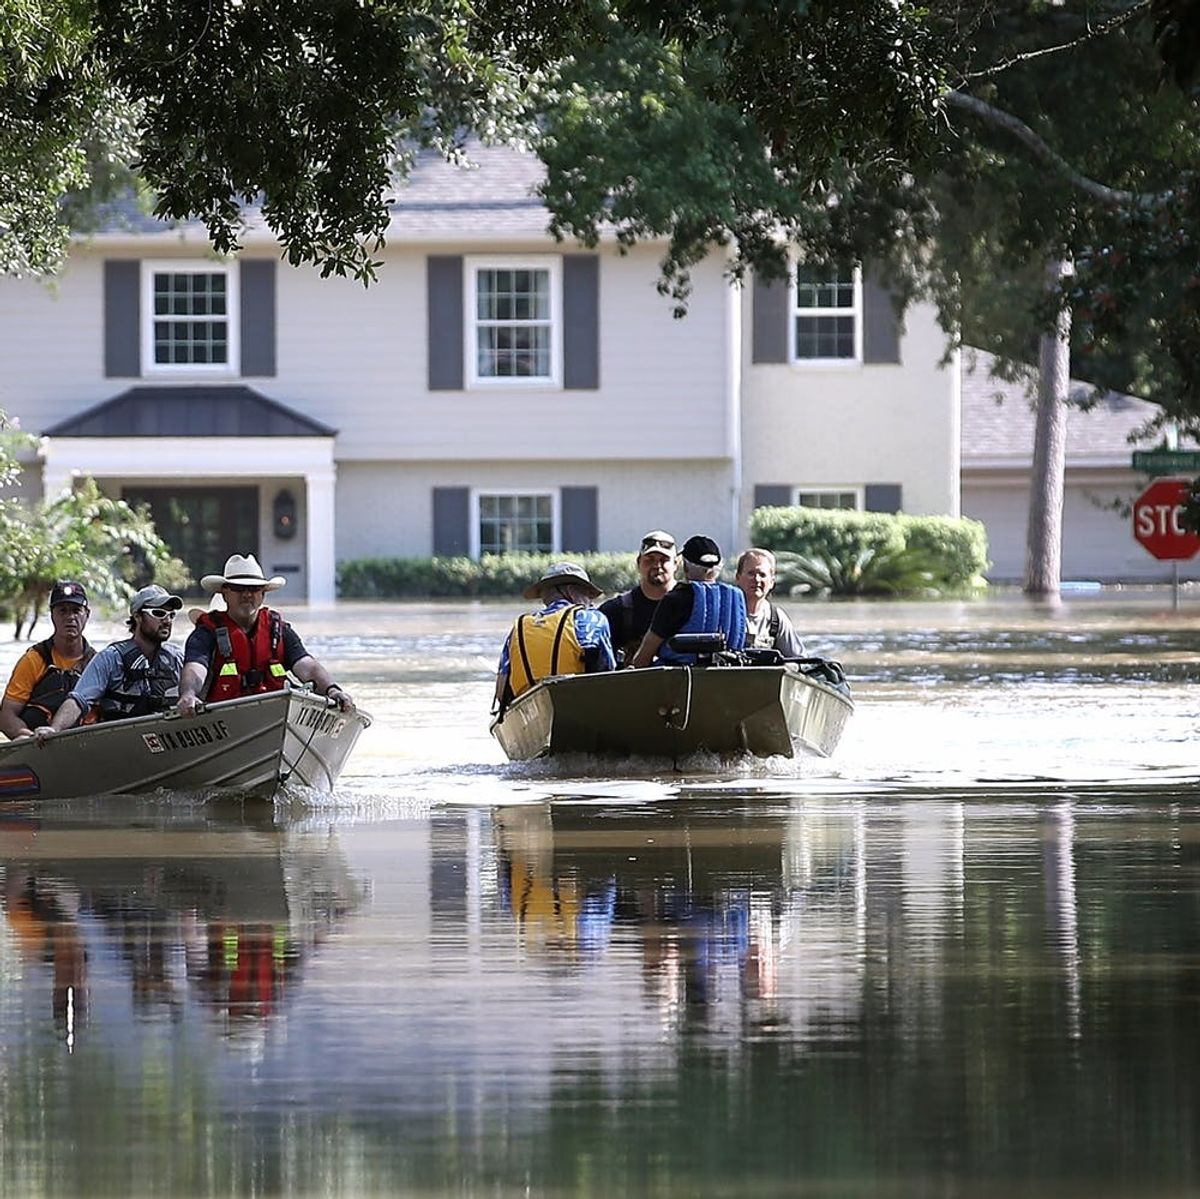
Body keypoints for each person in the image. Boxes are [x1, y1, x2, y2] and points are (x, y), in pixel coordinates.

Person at [176, 553, 354, 716]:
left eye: (253, 589)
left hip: (274, 712)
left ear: (263, 595)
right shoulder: (205, 633)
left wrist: (332, 690)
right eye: (238, 589)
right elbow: (195, 668)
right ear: (225, 594)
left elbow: (307, 666)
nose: (247, 595)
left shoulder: (280, 630)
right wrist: (188, 694)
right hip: (224, 716)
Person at [32, 585, 186, 741]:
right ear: (138, 616)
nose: (167, 620)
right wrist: (54, 729)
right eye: (158, 613)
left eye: (171, 615)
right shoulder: (111, 658)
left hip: (168, 738)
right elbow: (78, 700)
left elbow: (195, 695)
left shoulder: (177, 657)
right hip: (123, 741)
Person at [494, 561, 616, 712]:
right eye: (588, 595)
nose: (590, 602)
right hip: (579, 706)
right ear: (571, 591)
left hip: (531, 712)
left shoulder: (518, 628)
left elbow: (501, 692)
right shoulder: (591, 618)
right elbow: (609, 677)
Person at [629, 535, 747, 667]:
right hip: (726, 681)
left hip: (678, 682)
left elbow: (643, 657)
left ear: (685, 566)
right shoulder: (737, 597)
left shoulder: (676, 599)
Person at [0, 581, 96, 740]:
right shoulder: (34, 659)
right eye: (62, 611)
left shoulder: (98, 664)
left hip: (84, 747)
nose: (70, 617)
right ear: (52, 615)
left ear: (87, 614)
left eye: (76, 610)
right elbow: (6, 715)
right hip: (39, 746)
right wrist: (27, 737)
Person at [598, 530, 679, 664]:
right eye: (650, 559)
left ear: (676, 564)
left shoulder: (691, 605)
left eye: (664, 560)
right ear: (638, 563)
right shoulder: (615, 611)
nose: (657, 566)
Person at [734, 548, 807, 658]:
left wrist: (785, 668)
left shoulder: (777, 619)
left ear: (772, 582)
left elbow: (799, 659)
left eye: (762, 575)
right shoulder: (726, 615)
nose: (757, 579)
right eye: (751, 573)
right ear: (737, 578)